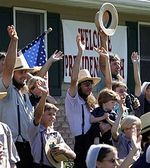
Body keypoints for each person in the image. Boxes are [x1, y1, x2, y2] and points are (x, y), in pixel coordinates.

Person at [0, 25, 37, 167]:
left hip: (26, 146)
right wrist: (14, 41)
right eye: (20, 72)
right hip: (9, 144)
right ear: (13, 74)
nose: (24, 76)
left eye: (26, 72)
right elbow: (8, 68)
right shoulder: (5, 87)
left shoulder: (25, 93)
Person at [65, 34, 101, 168]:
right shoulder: (73, 99)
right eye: (86, 84)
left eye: (90, 84)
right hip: (81, 141)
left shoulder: (92, 101)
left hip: (94, 139)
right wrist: (80, 52)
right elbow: (73, 79)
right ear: (79, 86)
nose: (89, 87)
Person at [28, 84, 75, 167]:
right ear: (42, 115)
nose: (53, 117)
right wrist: (44, 96)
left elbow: (73, 155)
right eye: (49, 114)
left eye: (54, 115)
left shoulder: (56, 135)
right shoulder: (35, 130)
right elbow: (38, 115)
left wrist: (64, 151)